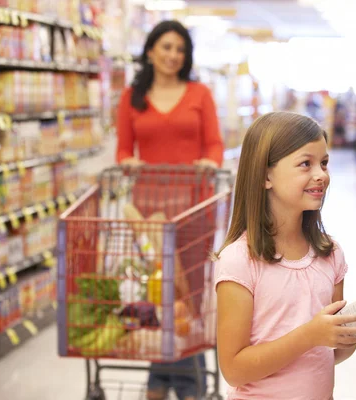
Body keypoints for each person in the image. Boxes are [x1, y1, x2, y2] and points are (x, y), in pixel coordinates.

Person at [214, 112, 356, 399]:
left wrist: (349, 336)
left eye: (324, 163)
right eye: (305, 164)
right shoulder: (239, 261)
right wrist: (310, 335)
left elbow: (324, 355)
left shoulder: (330, 254)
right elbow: (234, 369)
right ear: (265, 175)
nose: (321, 175)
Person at [115, 20, 224, 400]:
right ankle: (181, 384)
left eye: (180, 49)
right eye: (166, 47)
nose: (173, 55)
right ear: (149, 51)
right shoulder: (132, 97)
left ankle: (165, 383)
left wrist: (210, 163)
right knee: (159, 295)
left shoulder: (200, 93)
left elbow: (214, 145)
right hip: (148, 214)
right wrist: (127, 161)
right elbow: (123, 149)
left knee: (188, 298)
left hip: (194, 208)